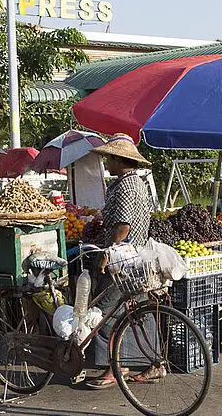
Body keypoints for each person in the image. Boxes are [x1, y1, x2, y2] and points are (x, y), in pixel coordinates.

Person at [83, 133, 155, 389]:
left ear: (118, 159)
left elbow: (123, 224)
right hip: (137, 259)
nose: (105, 163)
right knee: (140, 312)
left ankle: (112, 368)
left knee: (104, 313)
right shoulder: (138, 182)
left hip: (122, 260)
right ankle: (154, 364)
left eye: (108, 158)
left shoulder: (125, 186)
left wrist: (109, 251)